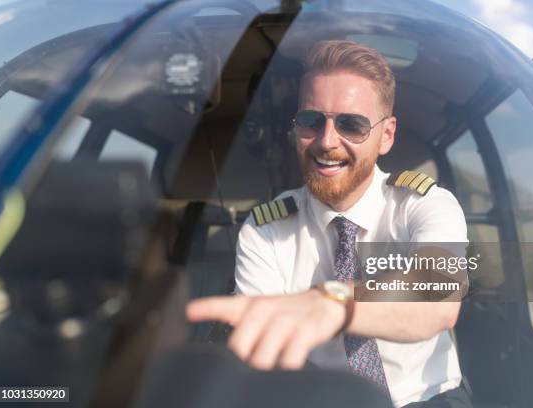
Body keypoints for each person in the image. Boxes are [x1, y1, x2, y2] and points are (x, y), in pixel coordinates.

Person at [186, 40, 472, 408]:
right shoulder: (265, 229)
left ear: (386, 135)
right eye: (311, 121)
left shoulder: (424, 204)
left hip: (428, 398)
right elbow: (266, 353)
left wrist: (334, 302)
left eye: (352, 124)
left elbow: (438, 298)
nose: (327, 141)